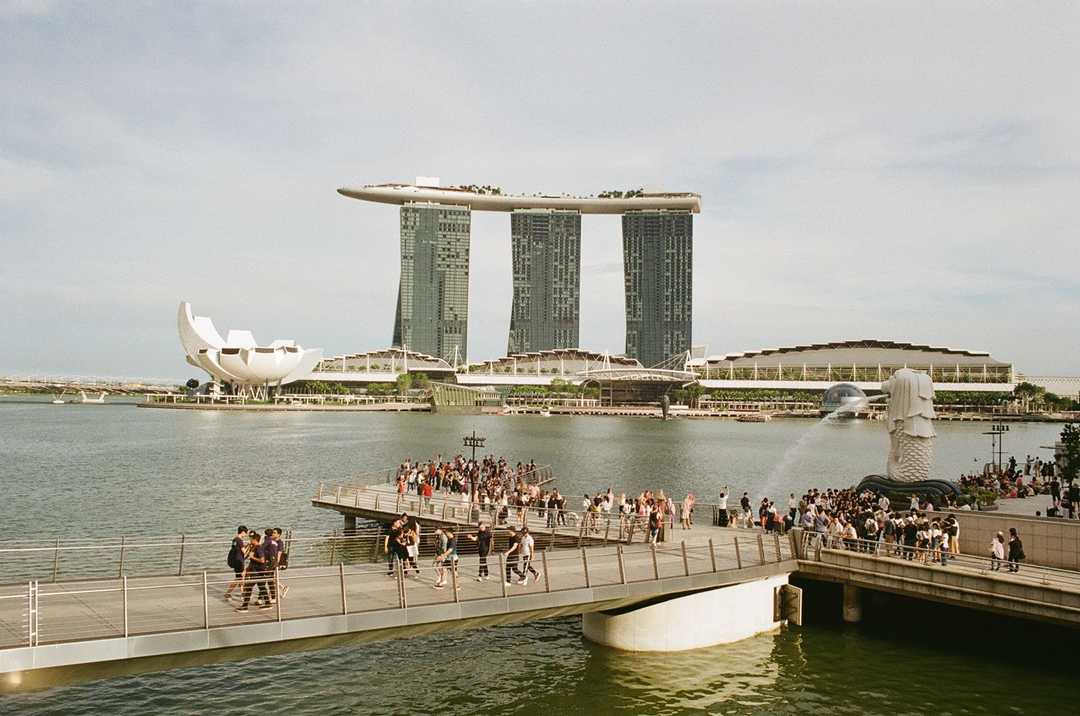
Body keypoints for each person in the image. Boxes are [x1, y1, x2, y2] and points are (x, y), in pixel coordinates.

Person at [236, 532, 271, 612]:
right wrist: (246, 570)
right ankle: (268, 604)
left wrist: (252, 557)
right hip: (255, 571)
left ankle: (245, 607)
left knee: (248, 587)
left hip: (258, 572)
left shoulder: (258, 548)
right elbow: (251, 562)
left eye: (251, 539)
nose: (250, 540)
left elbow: (262, 560)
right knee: (262, 587)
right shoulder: (254, 547)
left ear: (254, 539)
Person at [224, 525, 247, 602]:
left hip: (236, 560)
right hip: (239, 561)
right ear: (243, 532)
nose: (246, 535)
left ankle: (242, 593)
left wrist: (245, 546)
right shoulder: (240, 540)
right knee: (239, 578)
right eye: (245, 533)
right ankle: (228, 593)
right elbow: (244, 552)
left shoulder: (234, 539)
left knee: (241, 577)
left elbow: (237, 548)